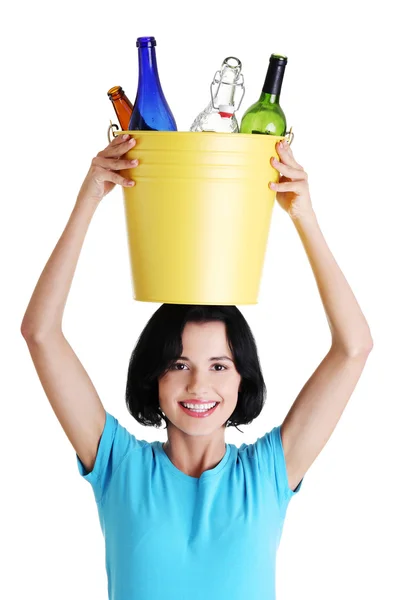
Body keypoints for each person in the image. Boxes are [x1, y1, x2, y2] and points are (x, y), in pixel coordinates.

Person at [21, 133, 373, 600]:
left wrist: (302, 216)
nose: (199, 385)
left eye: (219, 366)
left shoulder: (269, 474)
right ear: (155, 377)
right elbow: (40, 333)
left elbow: (354, 348)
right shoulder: (119, 467)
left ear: (243, 378)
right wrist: (90, 197)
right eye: (179, 364)